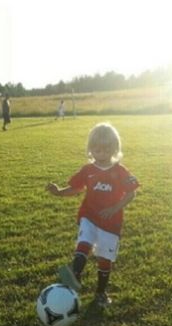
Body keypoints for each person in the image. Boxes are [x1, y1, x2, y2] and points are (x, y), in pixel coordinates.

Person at [46, 122, 139, 306]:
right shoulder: (87, 170)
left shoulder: (120, 171)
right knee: (84, 241)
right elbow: (76, 188)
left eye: (106, 149)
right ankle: (75, 274)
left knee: (105, 258)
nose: (101, 154)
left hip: (111, 223)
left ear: (114, 149)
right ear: (90, 149)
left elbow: (131, 193)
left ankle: (100, 293)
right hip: (89, 215)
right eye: (97, 150)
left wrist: (114, 208)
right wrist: (59, 192)